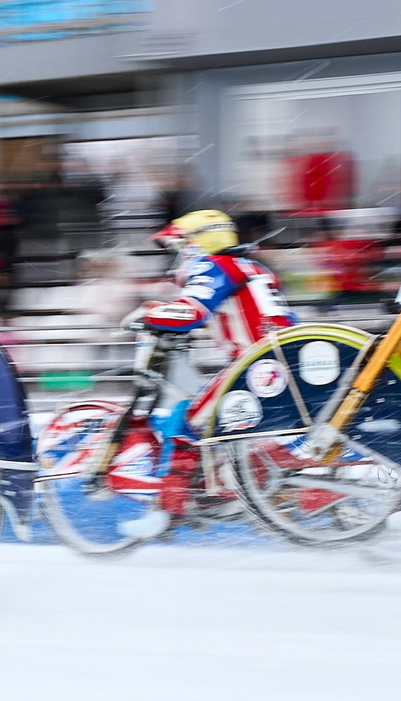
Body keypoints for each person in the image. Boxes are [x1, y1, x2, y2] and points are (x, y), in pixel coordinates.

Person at [118, 208, 295, 524]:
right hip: (284, 361)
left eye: (180, 247)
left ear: (198, 243)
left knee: (187, 421)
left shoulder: (215, 265)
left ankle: (165, 512)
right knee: (228, 427)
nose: (179, 258)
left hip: (257, 364)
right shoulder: (251, 267)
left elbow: (192, 312)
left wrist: (148, 314)